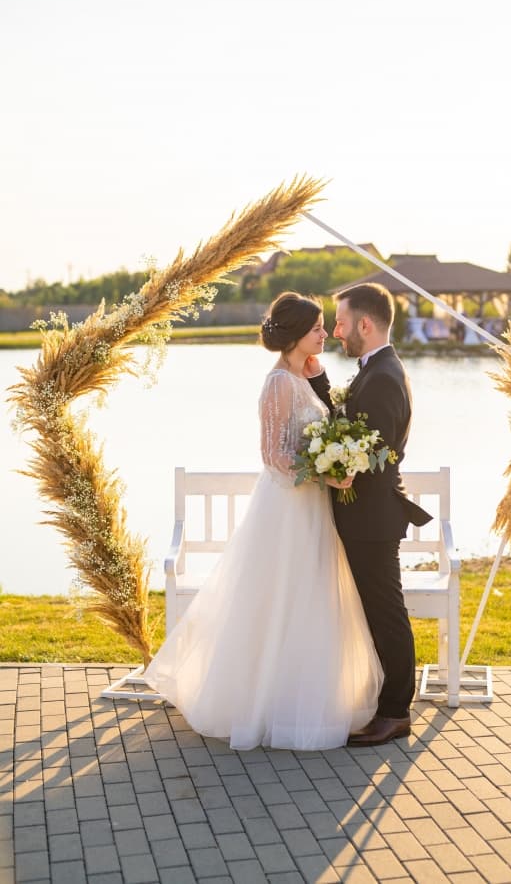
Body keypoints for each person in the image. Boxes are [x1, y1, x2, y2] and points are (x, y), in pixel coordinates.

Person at [144, 291, 383, 751]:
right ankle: (266, 706)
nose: (323, 332)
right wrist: (325, 473)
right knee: (280, 600)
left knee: (311, 600)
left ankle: (307, 698)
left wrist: (319, 389)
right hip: (287, 509)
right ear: (295, 334)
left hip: (310, 508)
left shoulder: (303, 375)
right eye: (316, 327)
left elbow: (325, 425)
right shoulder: (277, 384)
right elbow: (273, 455)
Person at [308, 283, 432, 747]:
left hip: (373, 519)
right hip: (368, 517)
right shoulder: (375, 370)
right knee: (378, 610)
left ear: (364, 323)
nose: (336, 331)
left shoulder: (382, 376)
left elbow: (373, 451)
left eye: (340, 322)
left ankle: (397, 711)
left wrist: (337, 469)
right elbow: (352, 427)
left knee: (386, 612)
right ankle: (387, 701)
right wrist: (319, 383)